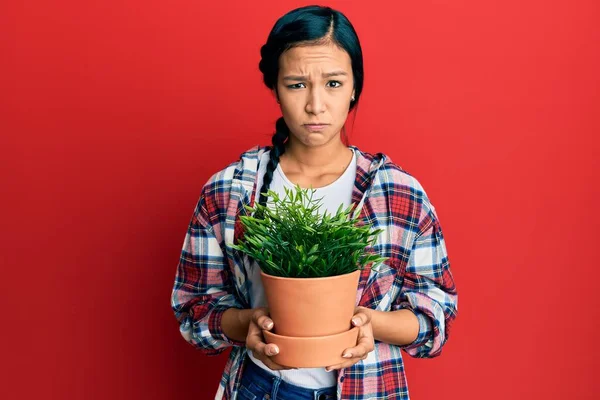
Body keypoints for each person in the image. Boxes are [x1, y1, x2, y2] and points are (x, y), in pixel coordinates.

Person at [171, 5, 458, 400]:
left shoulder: (398, 193)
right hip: (262, 388)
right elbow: (194, 309)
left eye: (334, 83)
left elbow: (435, 317)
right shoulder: (231, 190)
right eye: (296, 84)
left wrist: (369, 324)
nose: (315, 105)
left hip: (369, 388)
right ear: (274, 87)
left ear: (355, 86)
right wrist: (247, 324)